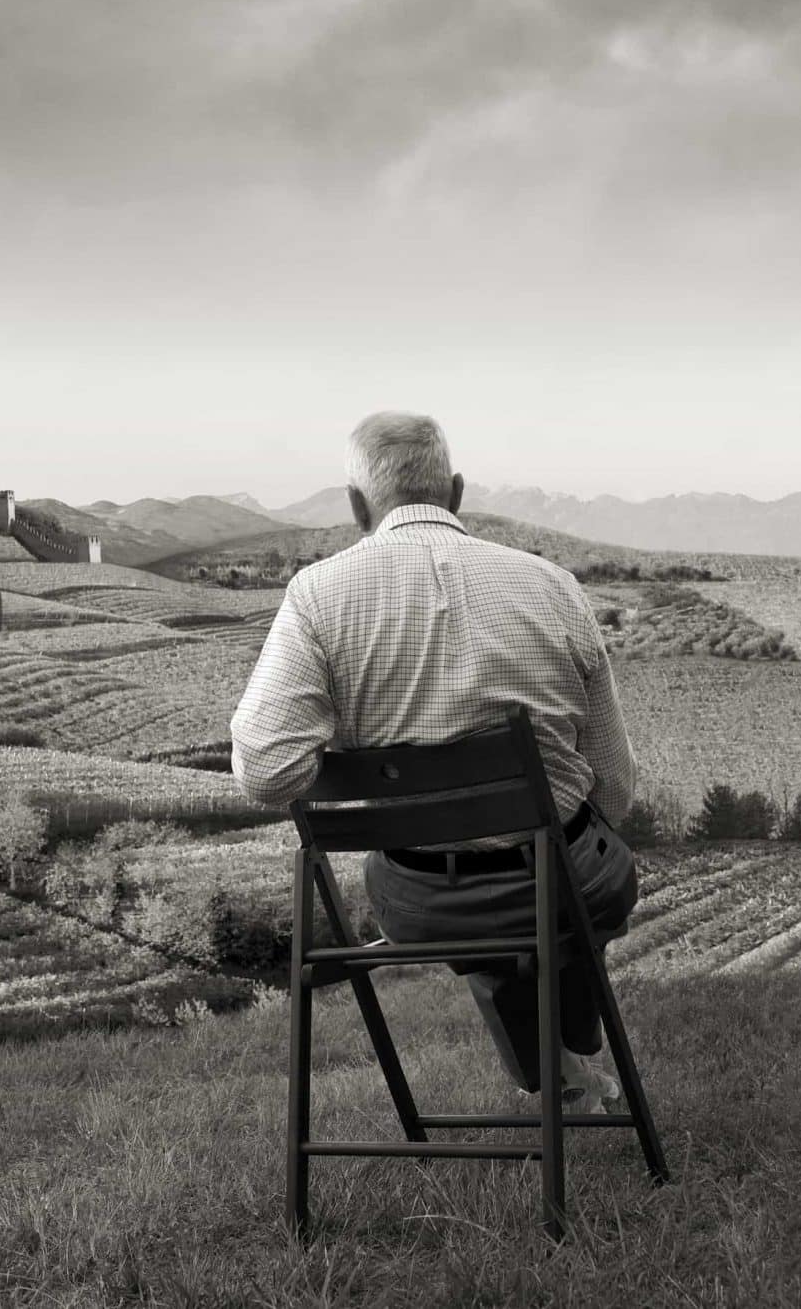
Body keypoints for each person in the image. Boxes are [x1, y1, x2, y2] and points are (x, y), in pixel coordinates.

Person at [229, 411, 640, 1112]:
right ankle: (572, 1046)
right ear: (455, 492)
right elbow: (616, 783)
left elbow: (266, 773)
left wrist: (345, 761)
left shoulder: (318, 596)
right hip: (562, 880)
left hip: (422, 901)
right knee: (571, 873)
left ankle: (554, 1075)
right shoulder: (552, 585)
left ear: (357, 505)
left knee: (486, 904)